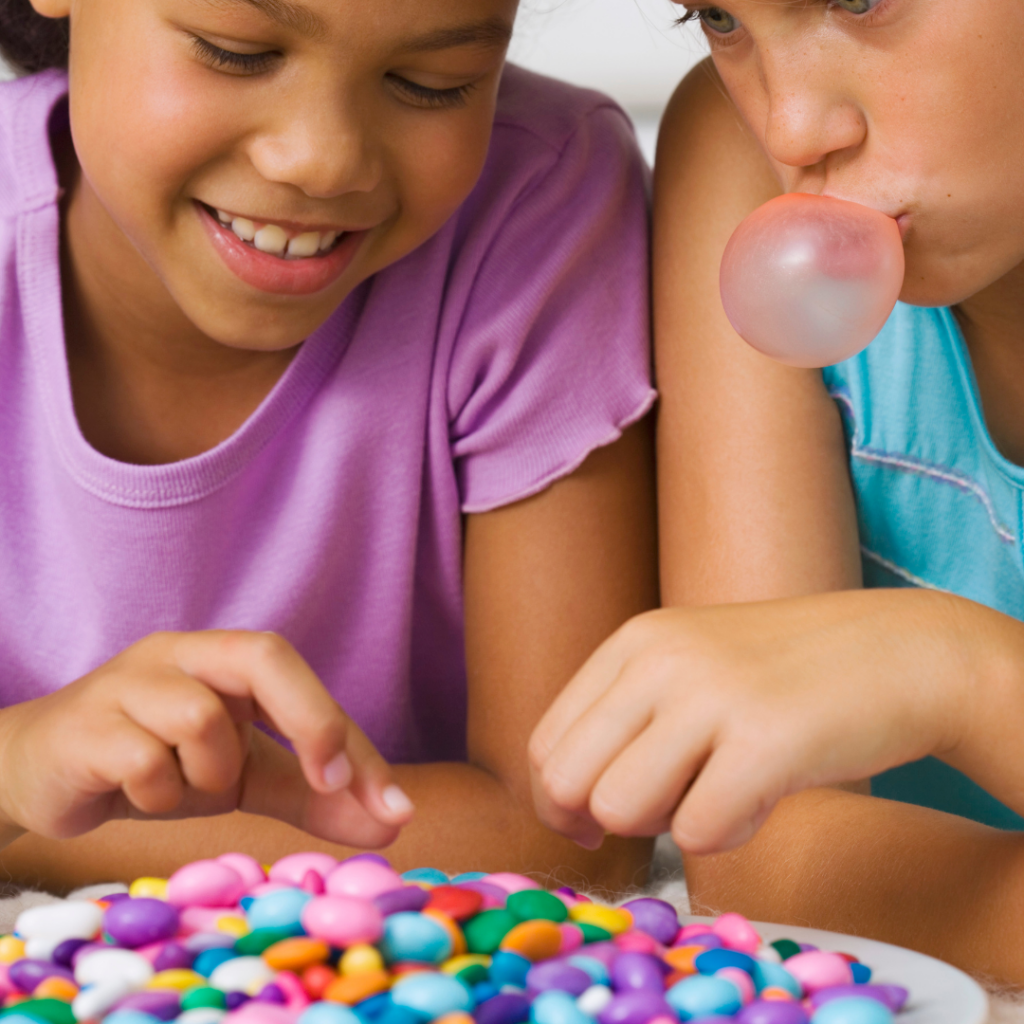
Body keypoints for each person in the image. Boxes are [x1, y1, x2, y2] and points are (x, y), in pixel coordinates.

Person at [0, 0, 658, 892]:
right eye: (235, 53)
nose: (321, 161)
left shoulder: (536, 195)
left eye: (433, 86)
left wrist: (26, 829)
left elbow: (572, 825)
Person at [529, 0, 1024, 984]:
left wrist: (958, 677)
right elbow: (765, 859)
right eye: (716, 15)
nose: (792, 128)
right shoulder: (737, 160)